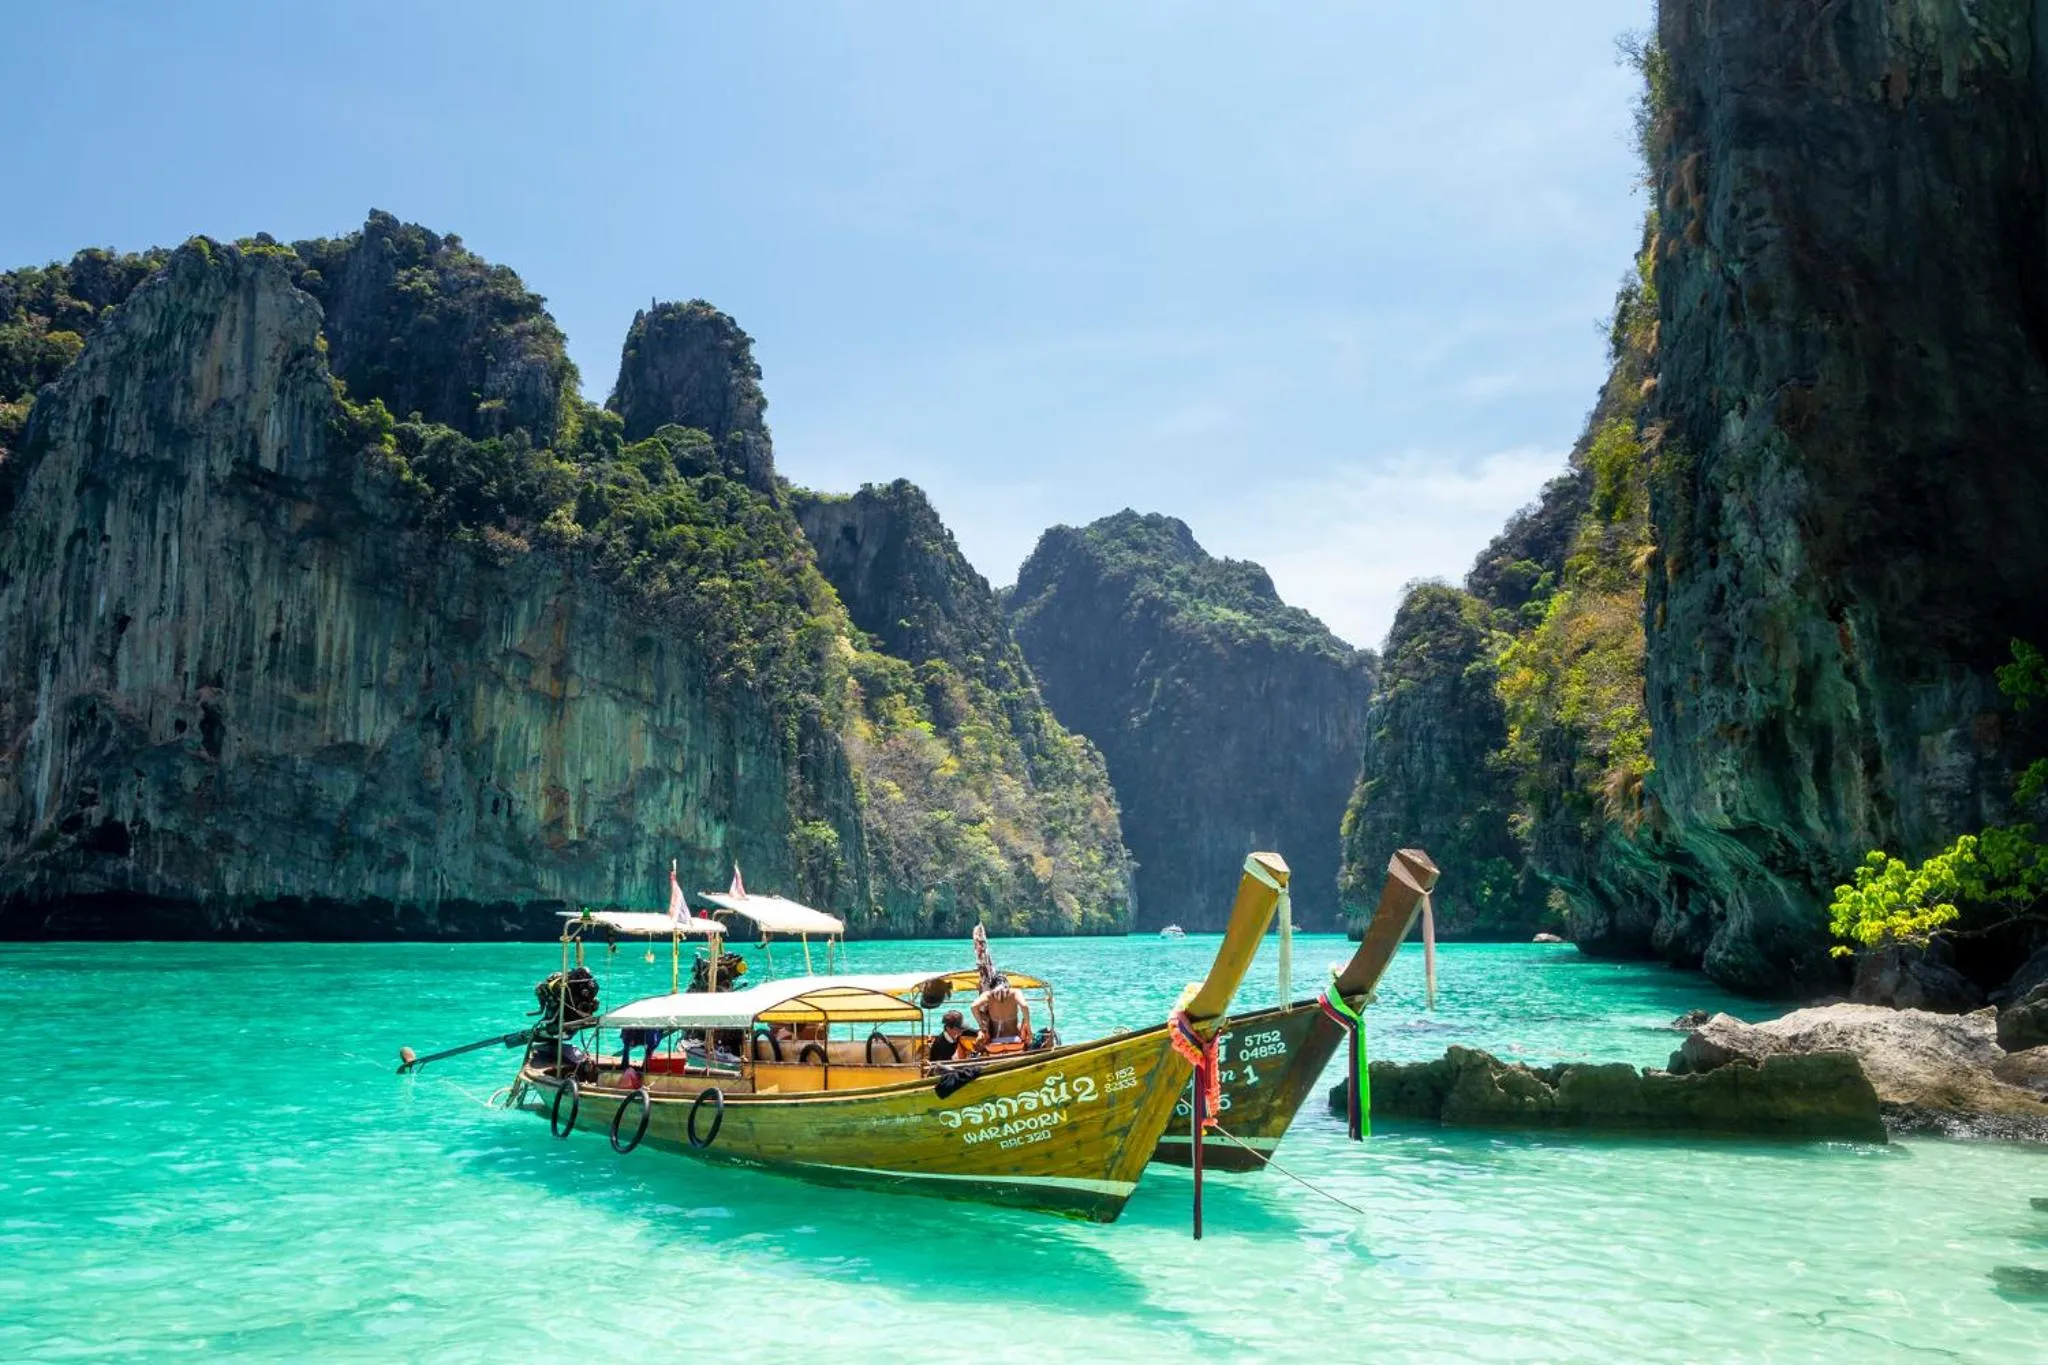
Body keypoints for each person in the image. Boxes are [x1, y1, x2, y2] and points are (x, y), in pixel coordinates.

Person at [971, 976, 1031, 1055]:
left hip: (994, 1046)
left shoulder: (988, 995)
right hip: (1015, 1044)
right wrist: (1028, 1028)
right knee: (1022, 1026)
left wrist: (982, 1026)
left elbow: (973, 1007)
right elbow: (1024, 1006)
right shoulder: (1014, 992)